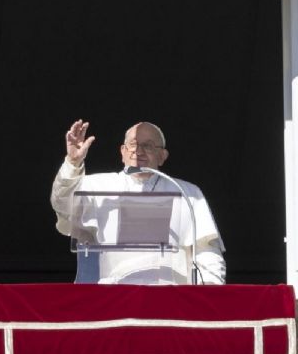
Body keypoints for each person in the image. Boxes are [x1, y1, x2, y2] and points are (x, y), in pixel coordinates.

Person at [50, 120, 226, 285]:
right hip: (113, 297)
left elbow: (206, 249)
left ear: (162, 156)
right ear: (123, 151)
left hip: (170, 299)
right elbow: (62, 204)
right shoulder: (96, 185)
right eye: (133, 145)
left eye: (147, 146)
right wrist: (73, 162)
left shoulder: (187, 193)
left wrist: (211, 291)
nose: (138, 151)